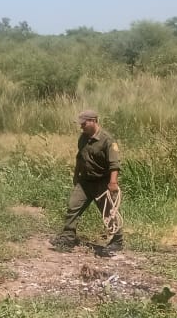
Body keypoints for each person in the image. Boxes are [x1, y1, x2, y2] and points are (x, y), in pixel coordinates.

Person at [50, 109, 123, 254]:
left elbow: (114, 164)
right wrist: (76, 175)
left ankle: (117, 241)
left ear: (94, 121)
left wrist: (113, 183)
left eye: (84, 123)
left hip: (102, 183)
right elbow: (80, 158)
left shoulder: (107, 140)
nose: (81, 126)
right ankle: (68, 237)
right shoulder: (83, 138)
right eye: (81, 124)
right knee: (73, 207)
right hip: (85, 182)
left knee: (110, 212)